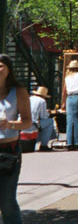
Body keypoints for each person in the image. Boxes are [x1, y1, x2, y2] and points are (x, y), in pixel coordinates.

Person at [0, 54, 32, 224]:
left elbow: (27, 121)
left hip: (8, 152)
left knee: (7, 202)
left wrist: (10, 125)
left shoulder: (18, 92)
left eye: (0, 66)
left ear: (8, 69)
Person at [24, 87, 55, 151]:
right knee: (50, 121)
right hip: (33, 123)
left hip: (23, 121)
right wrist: (48, 113)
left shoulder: (29, 98)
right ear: (44, 96)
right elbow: (44, 116)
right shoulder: (42, 101)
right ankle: (44, 145)